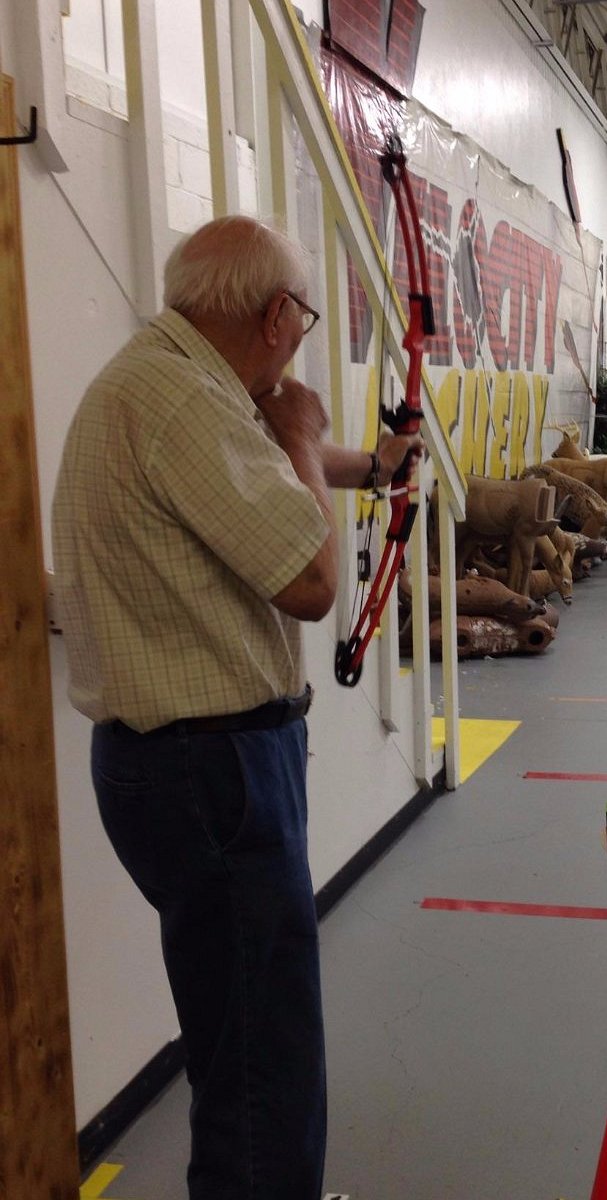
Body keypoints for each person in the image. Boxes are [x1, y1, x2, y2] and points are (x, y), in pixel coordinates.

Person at [51, 214, 422, 1200]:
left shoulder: (163, 381)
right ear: (276, 315)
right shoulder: (184, 406)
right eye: (300, 323)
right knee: (264, 1052)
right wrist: (302, 434)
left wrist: (367, 466)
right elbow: (308, 577)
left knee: (242, 1031)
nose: (297, 346)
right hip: (212, 773)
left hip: (175, 768)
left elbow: (261, 473)